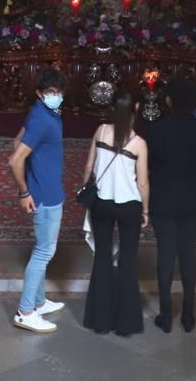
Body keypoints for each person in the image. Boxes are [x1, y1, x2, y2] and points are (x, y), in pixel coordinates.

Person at [81, 88, 149, 336]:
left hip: (102, 202)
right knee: (128, 261)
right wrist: (146, 210)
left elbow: (89, 166)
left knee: (102, 258)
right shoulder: (139, 143)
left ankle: (100, 320)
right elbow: (142, 183)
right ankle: (126, 323)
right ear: (137, 109)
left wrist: (85, 187)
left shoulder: (101, 131)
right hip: (129, 205)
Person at [146, 78, 196, 333]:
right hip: (192, 197)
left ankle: (165, 315)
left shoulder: (158, 130)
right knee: (187, 253)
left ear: (169, 101)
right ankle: (188, 314)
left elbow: (151, 163)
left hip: (163, 197)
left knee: (165, 254)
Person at [7, 68, 69, 332]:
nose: (55, 96)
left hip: (47, 188)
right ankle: (26, 311)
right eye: (50, 92)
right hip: (46, 195)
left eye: (58, 92)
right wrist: (24, 191)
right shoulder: (44, 119)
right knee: (44, 251)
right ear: (40, 93)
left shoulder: (40, 112)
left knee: (43, 248)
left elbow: (17, 141)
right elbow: (15, 158)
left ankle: (39, 301)